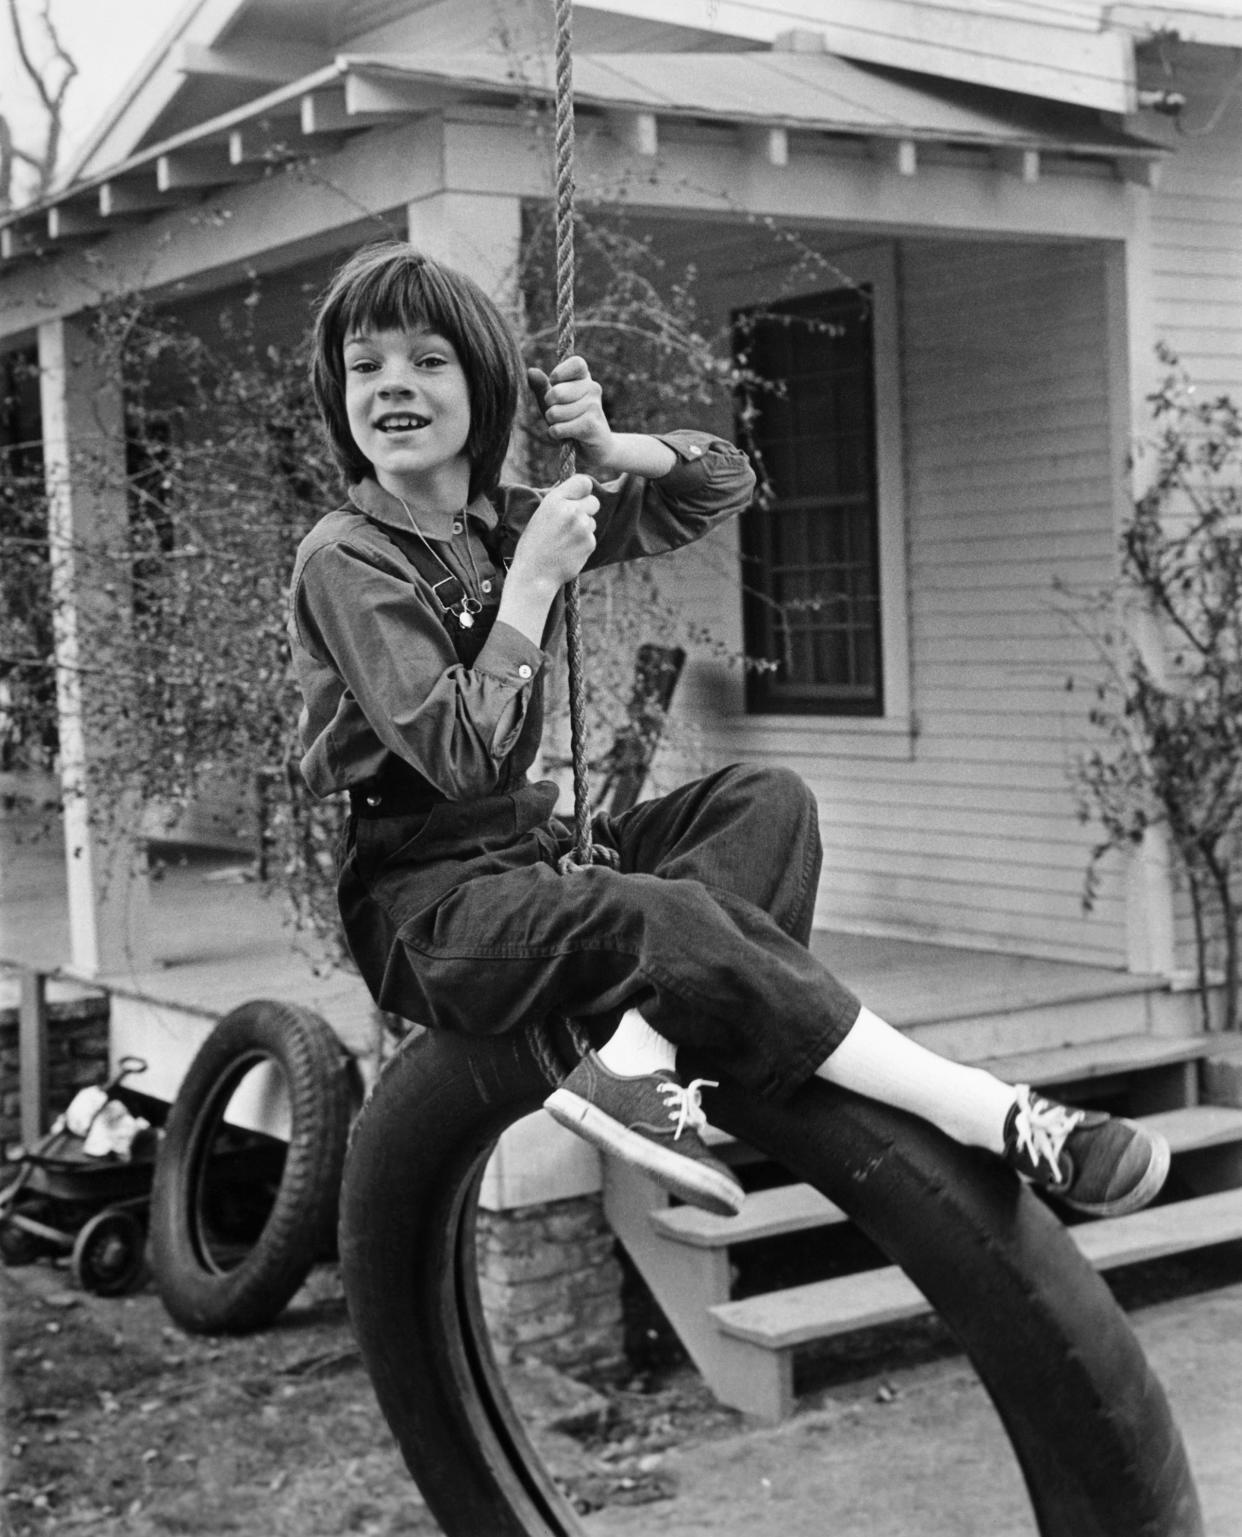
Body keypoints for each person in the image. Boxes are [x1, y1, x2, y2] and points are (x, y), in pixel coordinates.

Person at [288, 240, 1170, 1222]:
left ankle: (639, 1056)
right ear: (341, 397)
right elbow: (461, 754)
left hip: (532, 856)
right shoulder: (347, 557)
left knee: (769, 803)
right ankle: (997, 1113)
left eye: (426, 360)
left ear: (484, 383)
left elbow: (719, 485)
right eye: (365, 367)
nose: (392, 386)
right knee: (659, 916)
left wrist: (619, 450)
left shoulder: (508, 522)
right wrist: (533, 583)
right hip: (432, 904)